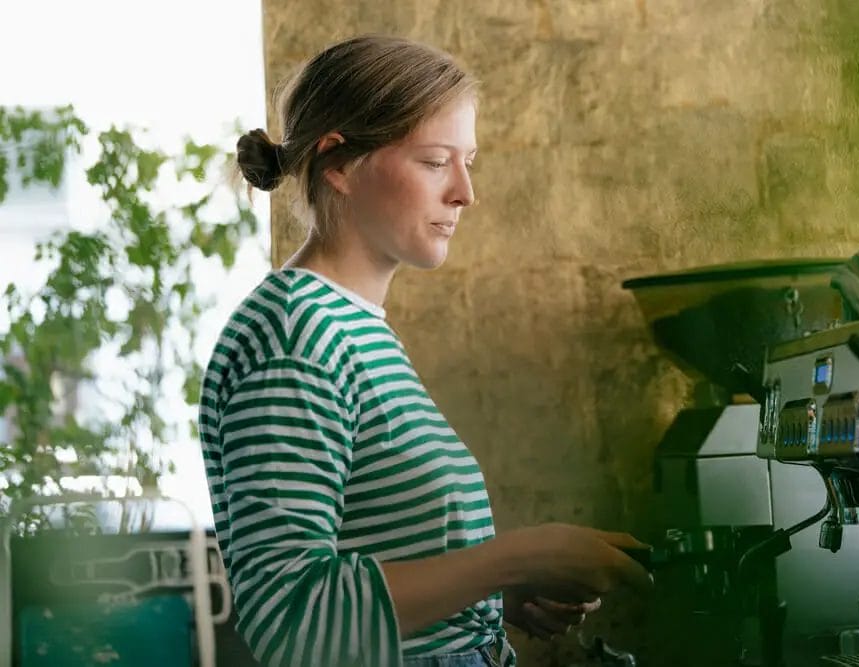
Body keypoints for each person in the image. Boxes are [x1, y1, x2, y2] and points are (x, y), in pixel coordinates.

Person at [198, 35, 652, 667]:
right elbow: (294, 624)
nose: (465, 192)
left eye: (469, 161)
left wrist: (490, 593)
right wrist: (520, 555)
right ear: (339, 163)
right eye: (437, 161)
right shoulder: (294, 337)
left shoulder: (352, 326)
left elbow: (371, 551)